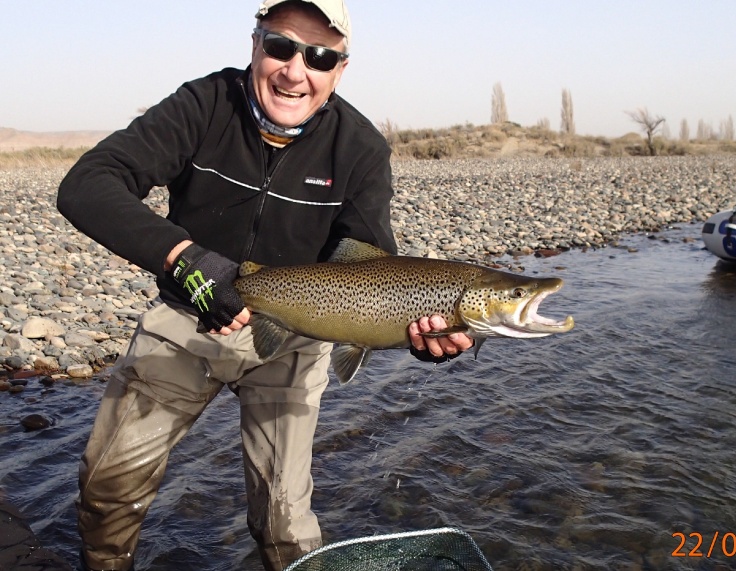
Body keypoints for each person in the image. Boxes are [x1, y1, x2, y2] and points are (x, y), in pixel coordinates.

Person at [57, 1, 473, 569]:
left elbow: (374, 270)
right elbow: (87, 184)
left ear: (340, 69)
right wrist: (188, 261)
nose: (295, 71)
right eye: (280, 47)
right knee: (108, 486)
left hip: (297, 337)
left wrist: (416, 337)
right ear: (255, 45)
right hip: (189, 318)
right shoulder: (204, 105)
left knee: (286, 522)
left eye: (320, 57)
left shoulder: (361, 149)